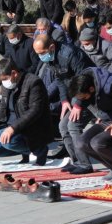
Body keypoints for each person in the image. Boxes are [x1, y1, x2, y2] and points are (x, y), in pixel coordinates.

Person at [33, 33, 93, 172]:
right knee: (63, 126)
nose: (40, 56)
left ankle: (85, 164)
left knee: (73, 125)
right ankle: (76, 161)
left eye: (42, 53)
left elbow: (85, 78)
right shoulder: (51, 57)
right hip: (74, 95)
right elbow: (60, 79)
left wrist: (77, 104)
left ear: (52, 47)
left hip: (89, 94)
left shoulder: (70, 54)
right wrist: (65, 100)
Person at [68, 68, 112, 181]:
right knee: (81, 142)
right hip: (108, 119)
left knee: (97, 142)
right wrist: (99, 115)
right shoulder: (86, 82)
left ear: (91, 89)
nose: (82, 100)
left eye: (84, 97)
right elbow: (86, 101)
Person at [0, 58, 52, 164]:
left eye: (5, 79)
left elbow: (35, 111)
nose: (4, 83)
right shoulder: (7, 86)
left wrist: (13, 128)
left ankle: (39, 149)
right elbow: (3, 109)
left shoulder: (33, 82)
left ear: (14, 73)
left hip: (31, 128)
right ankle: (27, 151)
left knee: (8, 142)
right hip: (10, 125)